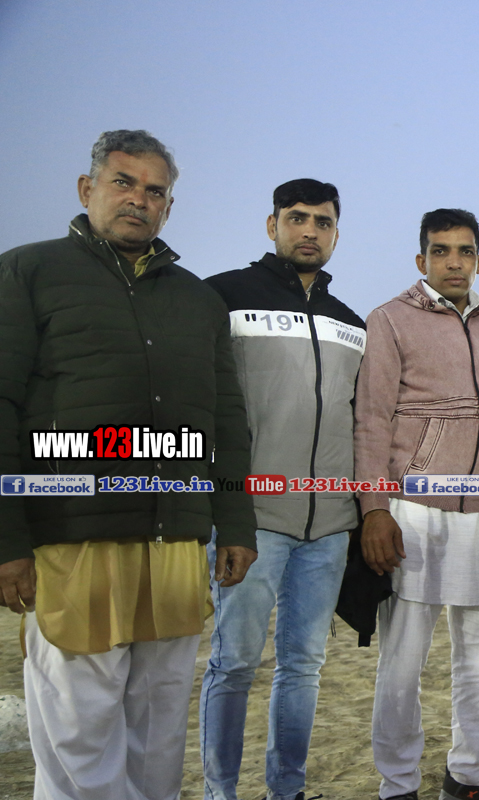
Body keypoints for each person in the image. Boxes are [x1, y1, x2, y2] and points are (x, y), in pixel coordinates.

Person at [0, 129, 257, 799]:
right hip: (70, 539)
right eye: (123, 182)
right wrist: (7, 541)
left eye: (155, 190)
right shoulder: (27, 272)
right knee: (78, 733)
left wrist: (235, 524)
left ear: (168, 206)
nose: (139, 199)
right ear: (87, 189)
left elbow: (227, 422)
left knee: (159, 730)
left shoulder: (198, 301)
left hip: (175, 545)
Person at [200, 179, 366, 800]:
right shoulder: (223, 296)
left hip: (329, 527)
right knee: (234, 664)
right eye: (297, 218)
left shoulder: (350, 323)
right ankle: (220, 793)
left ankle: (286, 790)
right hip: (251, 519)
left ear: (336, 234)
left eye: (322, 222)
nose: (309, 231)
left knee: (303, 667)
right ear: (272, 225)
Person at [355, 208, 479, 800]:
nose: (454, 262)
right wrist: (375, 509)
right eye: (441, 251)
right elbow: (371, 420)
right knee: (403, 661)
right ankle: (398, 783)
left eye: (465, 251)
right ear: (421, 259)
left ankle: (471, 774)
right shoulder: (389, 320)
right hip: (413, 509)